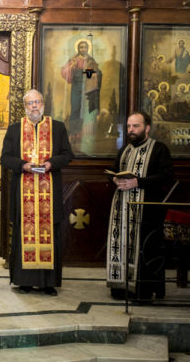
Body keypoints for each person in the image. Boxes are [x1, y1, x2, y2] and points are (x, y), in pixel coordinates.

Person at [0, 89, 73, 296]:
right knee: (25, 236)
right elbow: (5, 158)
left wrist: (51, 163)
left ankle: (48, 283)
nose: (34, 106)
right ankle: (24, 281)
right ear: (25, 107)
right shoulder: (14, 130)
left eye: (37, 102)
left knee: (50, 236)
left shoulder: (57, 128)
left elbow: (68, 155)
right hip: (24, 196)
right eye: (30, 103)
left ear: (43, 105)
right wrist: (23, 165)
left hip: (49, 195)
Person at [106, 111, 174, 301]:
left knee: (147, 249)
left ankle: (144, 290)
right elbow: (114, 170)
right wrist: (114, 179)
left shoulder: (159, 149)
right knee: (122, 245)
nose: (131, 130)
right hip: (122, 208)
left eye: (136, 126)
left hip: (148, 211)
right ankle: (121, 288)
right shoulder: (125, 150)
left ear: (147, 128)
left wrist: (138, 182)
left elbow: (167, 176)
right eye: (129, 126)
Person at [61, 40, 102, 154]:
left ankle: (81, 135)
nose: (83, 49)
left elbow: (94, 75)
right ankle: (73, 133)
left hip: (87, 87)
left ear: (88, 48)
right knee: (75, 108)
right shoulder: (73, 59)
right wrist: (71, 68)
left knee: (84, 111)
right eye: (81, 47)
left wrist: (91, 73)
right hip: (76, 87)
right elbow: (64, 71)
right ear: (78, 48)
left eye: (85, 47)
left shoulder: (91, 60)